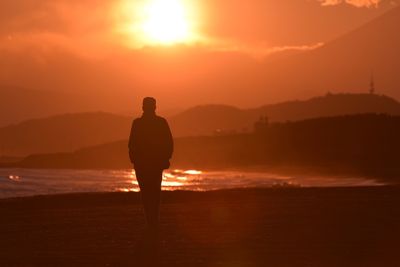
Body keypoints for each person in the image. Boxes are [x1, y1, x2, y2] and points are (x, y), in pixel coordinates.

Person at [128, 97, 173, 232]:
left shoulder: (139, 123)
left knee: (148, 192)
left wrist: (135, 159)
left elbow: (131, 144)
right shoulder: (159, 122)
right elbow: (169, 142)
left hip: (147, 164)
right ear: (154, 107)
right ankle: (152, 220)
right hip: (151, 164)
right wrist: (166, 158)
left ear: (143, 107)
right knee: (153, 192)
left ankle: (151, 220)